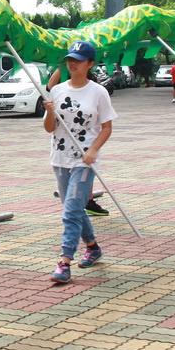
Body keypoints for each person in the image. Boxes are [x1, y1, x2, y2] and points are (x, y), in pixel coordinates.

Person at [43, 41, 117, 284]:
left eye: (79, 59)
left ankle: (64, 261)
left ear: (90, 64)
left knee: (72, 209)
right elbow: (48, 128)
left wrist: (94, 150)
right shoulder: (57, 91)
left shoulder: (98, 92)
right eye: (70, 59)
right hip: (60, 157)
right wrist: (50, 111)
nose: (73, 63)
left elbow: (107, 127)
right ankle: (93, 247)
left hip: (84, 160)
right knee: (73, 207)